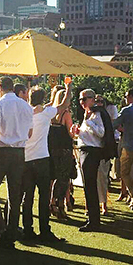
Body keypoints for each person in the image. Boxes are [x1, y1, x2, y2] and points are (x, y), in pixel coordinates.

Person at [0, 76, 33, 249]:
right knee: (14, 194)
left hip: (1, 151)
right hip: (19, 152)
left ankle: (3, 230)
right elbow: (30, 133)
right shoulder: (26, 105)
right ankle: (10, 232)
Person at [21, 81, 71, 242]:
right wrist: (68, 87)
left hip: (26, 159)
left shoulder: (24, 112)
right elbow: (64, 104)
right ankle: (45, 230)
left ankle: (27, 229)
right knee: (44, 196)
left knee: (27, 197)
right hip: (42, 158)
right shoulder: (46, 113)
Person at [71, 89, 105, 231]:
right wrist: (78, 132)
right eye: (80, 100)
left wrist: (88, 123)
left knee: (90, 186)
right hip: (86, 150)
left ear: (93, 99)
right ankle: (92, 218)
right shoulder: (88, 114)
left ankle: (94, 221)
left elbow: (101, 132)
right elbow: (89, 135)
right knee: (88, 186)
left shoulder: (96, 114)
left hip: (92, 152)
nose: (82, 102)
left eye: (84, 99)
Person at [48, 88, 76, 219]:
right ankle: (59, 204)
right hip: (64, 150)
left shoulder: (50, 114)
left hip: (52, 149)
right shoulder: (65, 114)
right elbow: (71, 133)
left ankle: (51, 203)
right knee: (63, 179)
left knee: (53, 178)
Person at [95, 95, 118, 215]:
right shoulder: (90, 113)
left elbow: (105, 133)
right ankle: (92, 207)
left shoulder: (105, 115)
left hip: (103, 151)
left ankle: (104, 206)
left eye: (101, 101)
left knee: (103, 179)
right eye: (96, 101)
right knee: (92, 180)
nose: (98, 103)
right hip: (93, 151)